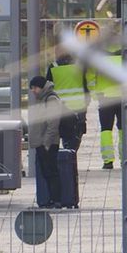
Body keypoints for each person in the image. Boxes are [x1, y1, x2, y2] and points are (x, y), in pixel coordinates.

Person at [87, 45, 127, 169]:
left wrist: (95, 93)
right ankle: (125, 159)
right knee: (123, 129)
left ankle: (108, 161)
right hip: (123, 97)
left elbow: (90, 77)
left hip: (105, 97)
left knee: (105, 129)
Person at [28, 75, 68, 208]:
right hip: (42, 143)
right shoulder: (42, 99)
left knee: (51, 172)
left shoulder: (50, 100)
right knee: (46, 172)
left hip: (48, 143)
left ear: (41, 87)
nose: (33, 91)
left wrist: (46, 143)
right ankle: (51, 199)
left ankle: (56, 200)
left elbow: (53, 123)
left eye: (34, 88)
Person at [46, 50, 87, 150]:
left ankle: (66, 154)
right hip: (78, 106)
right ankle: (71, 154)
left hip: (61, 107)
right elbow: (86, 85)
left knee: (63, 131)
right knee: (76, 133)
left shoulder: (53, 67)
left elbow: (48, 88)